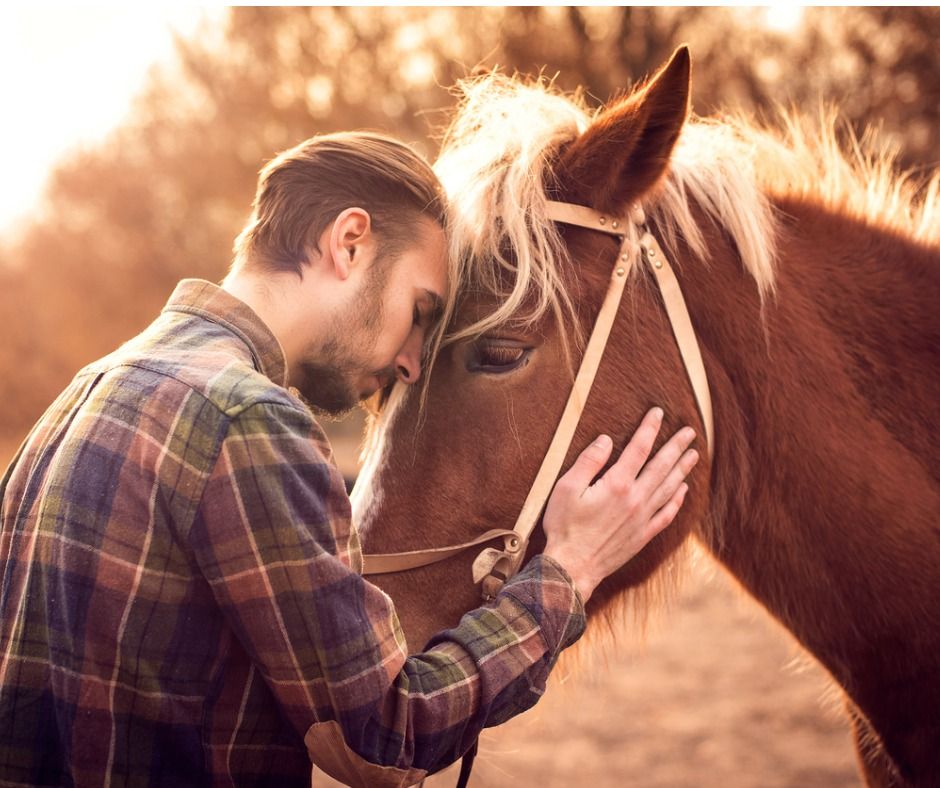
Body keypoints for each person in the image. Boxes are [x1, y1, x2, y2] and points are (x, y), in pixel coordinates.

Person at [0, 132, 699, 787]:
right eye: (421, 310)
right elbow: (388, 734)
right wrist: (570, 569)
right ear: (350, 242)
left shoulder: (83, 395)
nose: (412, 362)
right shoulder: (247, 419)